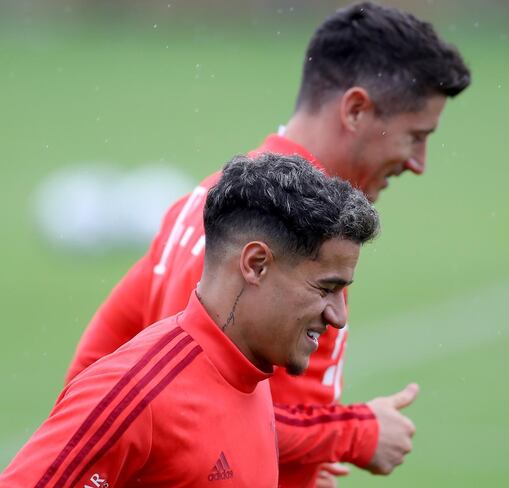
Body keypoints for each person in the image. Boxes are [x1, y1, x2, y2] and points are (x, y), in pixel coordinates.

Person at [65, 2, 471, 486]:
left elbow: (91, 371)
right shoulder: (281, 235)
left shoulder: (212, 199)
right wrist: (353, 433)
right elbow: (196, 406)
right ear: (356, 109)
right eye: (415, 136)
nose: (419, 162)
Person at [0, 153, 380, 488]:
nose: (338, 316)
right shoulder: (136, 393)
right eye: (327, 288)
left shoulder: (253, 377)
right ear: (256, 265)